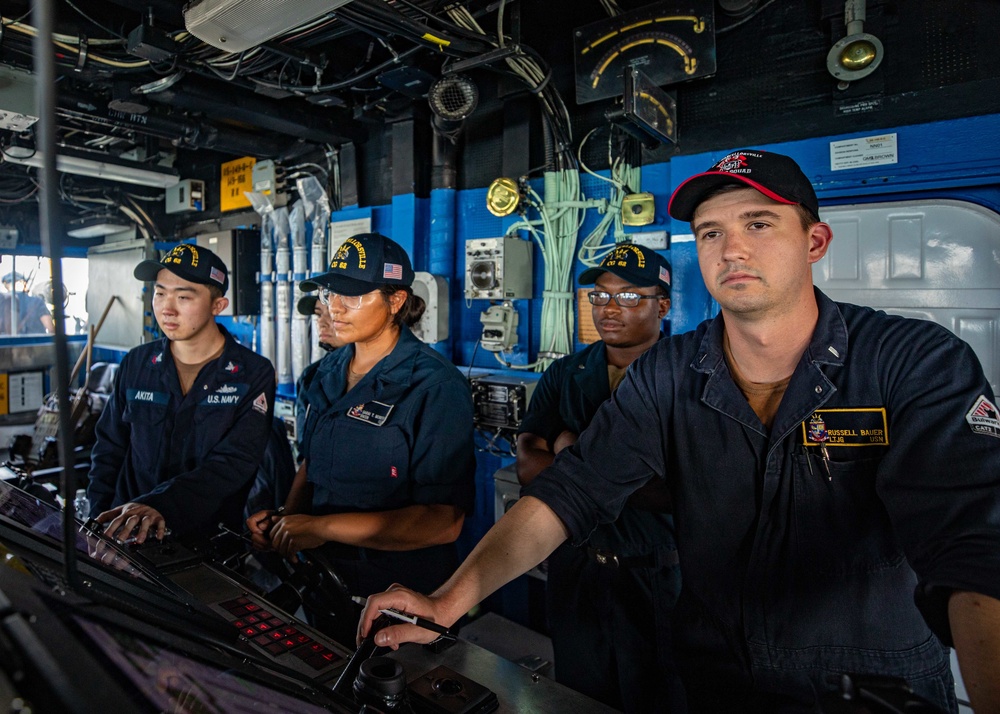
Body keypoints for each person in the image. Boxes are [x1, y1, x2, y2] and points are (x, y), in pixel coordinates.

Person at [360, 150, 1000, 714]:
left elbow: (973, 545)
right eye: (711, 232)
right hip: (717, 680)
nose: (733, 248)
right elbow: (570, 494)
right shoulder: (668, 373)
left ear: (815, 241)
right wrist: (447, 603)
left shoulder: (913, 360)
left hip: (871, 685)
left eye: (759, 223)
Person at [247, 232, 476, 646]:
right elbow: (311, 464)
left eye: (353, 297)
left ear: (396, 301)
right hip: (323, 588)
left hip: (400, 602)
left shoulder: (435, 387)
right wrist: (286, 521)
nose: (334, 308)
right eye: (331, 293)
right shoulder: (321, 374)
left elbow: (444, 522)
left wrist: (324, 527)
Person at [516, 243, 684, 712]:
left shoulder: (690, 375)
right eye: (600, 295)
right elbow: (529, 458)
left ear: (663, 305)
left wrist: (570, 449)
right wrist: (619, 478)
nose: (610, 309)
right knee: (578, 694)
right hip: (577, 570)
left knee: (661, 696)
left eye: (630, 297)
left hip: (657, 573)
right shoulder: (568, 373)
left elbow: (684, 489)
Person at [88, 243, 276, 543]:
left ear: (218, 306)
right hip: (125, 535)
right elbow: (109, 449)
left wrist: (160, 505)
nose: (166, 308)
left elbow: (234, 462)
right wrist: (98, 520)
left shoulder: (253, 373)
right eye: (160, 293)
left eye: (184, 297)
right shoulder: (137, 363)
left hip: (207, 542)